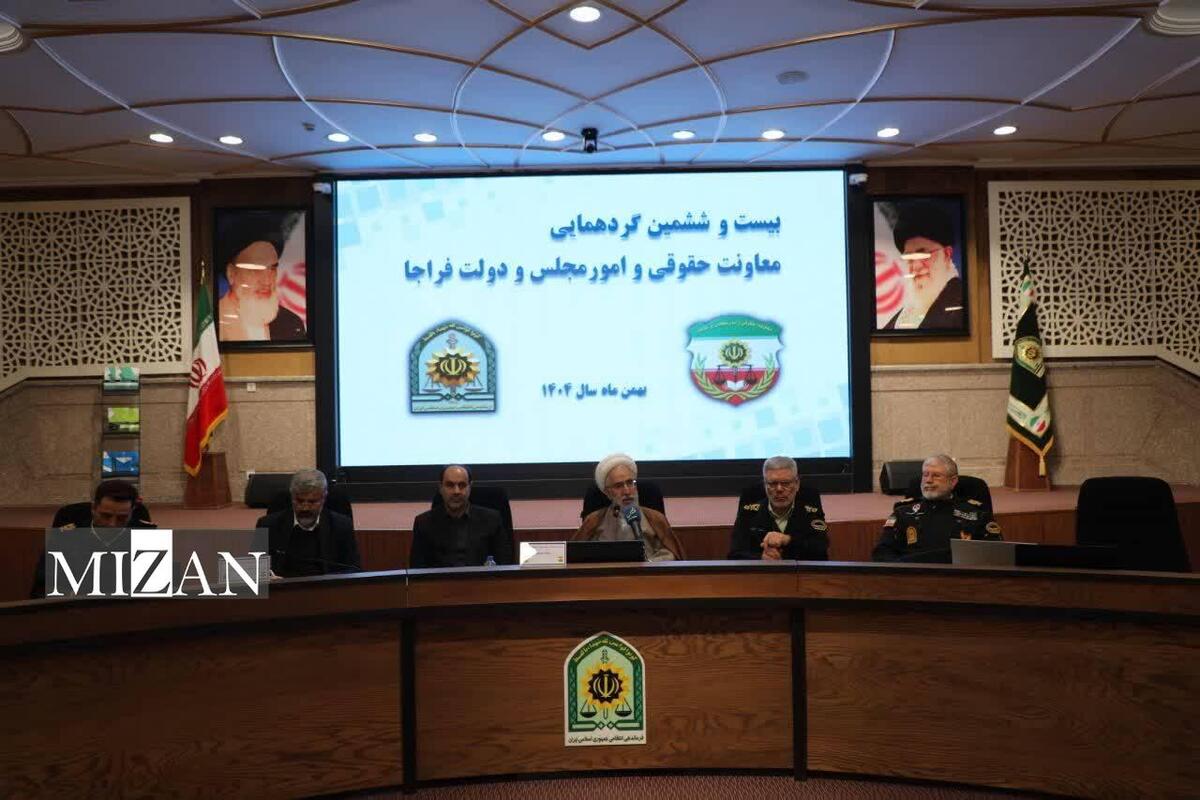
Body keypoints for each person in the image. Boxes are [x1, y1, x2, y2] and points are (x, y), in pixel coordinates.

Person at [29, 479, 154, 598]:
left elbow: (157, 589)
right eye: (106, 516)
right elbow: (42, 588)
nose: (112, 524)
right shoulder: (66, 538)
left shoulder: (146, 538)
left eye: (122, 518)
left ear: (132, 512)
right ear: (93, 508)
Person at [872, 454, 1002, 563]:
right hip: (913, 580)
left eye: (936, 475)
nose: (928, 480)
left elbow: (996, 554)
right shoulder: (903, 513)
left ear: (953, 481)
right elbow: (881, 553)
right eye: (925, 475)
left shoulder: (976, 514)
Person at [572, 453, 684, 561]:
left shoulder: (655, 518)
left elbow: (671, 554)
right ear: (607, 492)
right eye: (618, 486)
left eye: (630, 483)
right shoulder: (594, 521)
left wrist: (649, 564)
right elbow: (577, 554)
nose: (627, 491)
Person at [216, 214, 305, 342]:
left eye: (272, 268)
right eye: (256, 269)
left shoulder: (291, 324)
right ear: (231, 273)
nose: (267, 281)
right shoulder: (214, 325)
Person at [258, 469, 360, 577]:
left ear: (324, 498)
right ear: (292, 497)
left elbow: (353, 570)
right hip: (284, 586)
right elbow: (254, 571)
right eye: (299, 501)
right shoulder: (267, 525)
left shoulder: (341, 526)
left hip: (325, 586)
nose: (305, 507)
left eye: (312, 502)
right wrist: (267, 578)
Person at [409, 465, 513, 568]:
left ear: (470, 487)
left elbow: (505, 564)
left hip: (481, 578)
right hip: (440, 579)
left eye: (462, 485)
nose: (456, 491)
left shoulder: (492, 520)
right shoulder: (423, 523)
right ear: (440, 488)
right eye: (450, 485)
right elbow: (417, 570)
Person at [881, 200, 964, 331]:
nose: (916, 266)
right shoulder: (901, 317)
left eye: (923, 255)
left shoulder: (963, 305)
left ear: (947, 254)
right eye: (909, 258)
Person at [728, 455, 828, 560]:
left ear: (797, 484)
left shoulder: (810, 507)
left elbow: (821, 548)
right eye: (772, 483)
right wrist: (760, 559)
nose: (779, 489)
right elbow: (735, 554)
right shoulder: (750, 511)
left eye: (786, 483)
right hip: (762, 570)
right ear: (765, 485)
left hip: (801, 570)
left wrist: (788, 540)